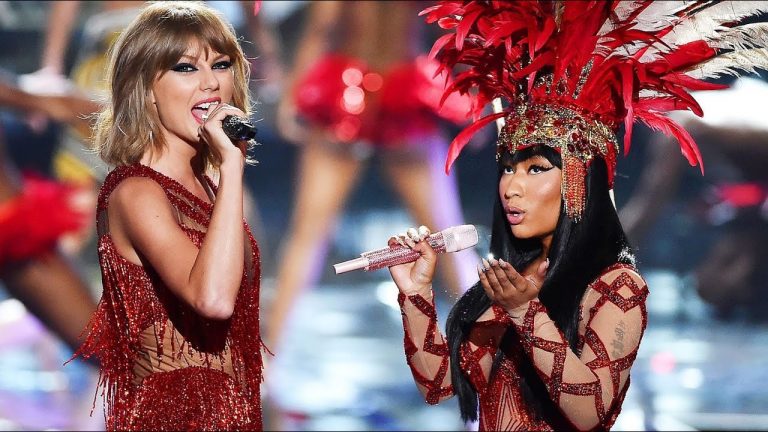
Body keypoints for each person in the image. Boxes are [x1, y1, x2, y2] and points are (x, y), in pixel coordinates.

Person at [382, 1, 766, 429]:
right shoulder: (511, 278)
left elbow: (589, 414)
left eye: (535, 169)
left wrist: (525, 313)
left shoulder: (615, 287)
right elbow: (439, 384)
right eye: (508, 168)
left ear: (578, 181)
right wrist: (415, 295)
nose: (511, 186)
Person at [69, 2, 264, 430]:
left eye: (221, 64)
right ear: (144, 89)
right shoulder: (136, 192)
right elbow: (212, 300)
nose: (211, 82)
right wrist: (232, 167)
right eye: (186, 68)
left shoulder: (211, 190)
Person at [267, 0, 479, 354]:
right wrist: (474, 96)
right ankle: (493, 351)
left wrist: (292, 97)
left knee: (307, 235)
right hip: (404, 87)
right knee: (447, 235)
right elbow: (455, 31)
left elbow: (323, 30)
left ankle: (267, 358)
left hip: (345, 92)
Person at [0, 76, 99, 353]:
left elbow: (54, 105)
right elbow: (53, 105)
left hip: (14, 235)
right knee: (102, 347)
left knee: (101, 346)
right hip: (13, 233)